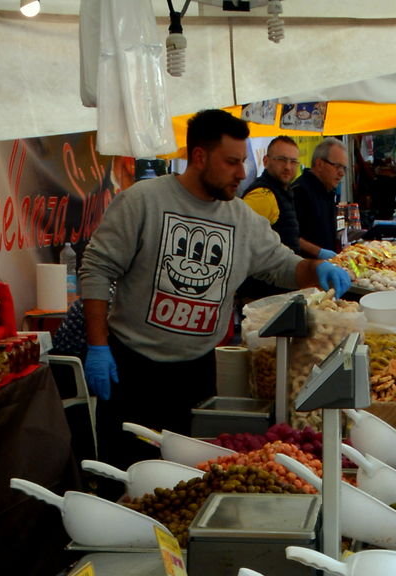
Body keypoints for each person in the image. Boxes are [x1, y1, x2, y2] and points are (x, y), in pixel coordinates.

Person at [79, 110, 351, 466]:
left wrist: (318, 269)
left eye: (242, 162)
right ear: (199, 157)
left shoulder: (241, 218)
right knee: (129, 478)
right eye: (232, 162)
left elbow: (284, 267)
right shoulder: (143, 201)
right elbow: (97, 268)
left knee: (188, 481)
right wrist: (97, 347)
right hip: (134, 370)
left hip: (197, 373)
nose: (241, 173)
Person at [242, 136, 330, 260]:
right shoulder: (263, 195)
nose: (288, 167)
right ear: (266, 161)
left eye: (293, 161)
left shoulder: (283, 191)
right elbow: (241, 241)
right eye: (281, 160)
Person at [292, 137, 348, 254]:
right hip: (307, 267)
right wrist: (319, 252)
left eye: (344, 168)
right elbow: (289, 236)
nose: (341, 173)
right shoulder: (300, 192)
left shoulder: (327, 191)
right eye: (337, 166)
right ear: (319, 164)